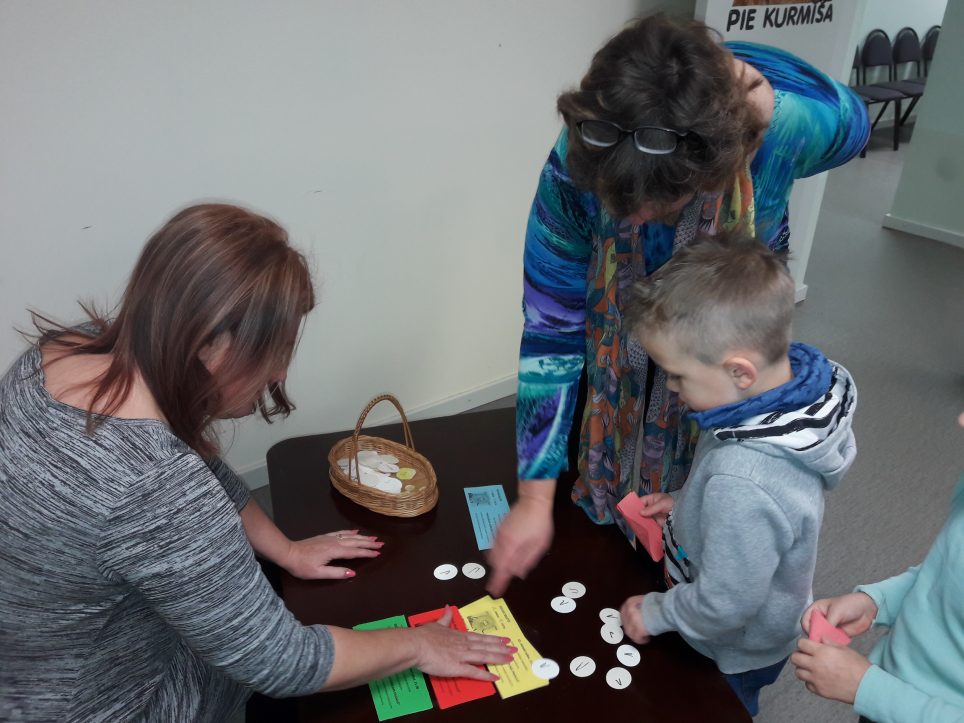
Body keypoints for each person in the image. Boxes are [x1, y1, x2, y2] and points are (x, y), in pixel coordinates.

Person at [0, 204, 514, 722]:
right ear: (209, 347)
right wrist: (417, 644)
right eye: (275, 350)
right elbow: (283, 662)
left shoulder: (69, 348)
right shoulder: (154, 486)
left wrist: (285, 551)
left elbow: (197, 468)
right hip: (112, 701)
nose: (281, 371)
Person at [487, 13, 869, 596]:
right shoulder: (580, 157)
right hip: (617, 368)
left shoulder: (782, 129)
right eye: (619, 206)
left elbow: (856, 124)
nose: (635, 219)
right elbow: (551, 331)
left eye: (660, 203)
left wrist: (747, 84)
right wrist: (535, 498)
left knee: (719, 528)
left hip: (722, 368)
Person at [614, 233, 857, 716]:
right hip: (764, 602)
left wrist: (657, 612)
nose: (675, 388)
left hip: (734, 642)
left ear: (740, 371)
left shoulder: (742, 478)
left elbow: (726, 603)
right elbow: (754, 499)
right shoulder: (773, 403)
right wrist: (686, 502)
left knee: (716, 707)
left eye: (679, 376)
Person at [792, 413, 964, 723]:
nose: (961, 419)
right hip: (890, 694)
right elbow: (945, 570)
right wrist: (878, 601)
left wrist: (868, 689)